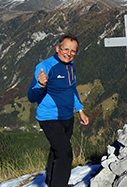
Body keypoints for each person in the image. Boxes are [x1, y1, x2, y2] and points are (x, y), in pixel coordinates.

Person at [28, 34, 89, 187]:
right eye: (66, 49)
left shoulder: (70, 66)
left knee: (57, 151)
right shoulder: (46, 67)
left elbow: (72, 89)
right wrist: (40, 84)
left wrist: (80, 110)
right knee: (65, 153)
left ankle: (51, 182)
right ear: (58, 48)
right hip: (50, 118)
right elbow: (32, 96)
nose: (69, 53)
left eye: (73, 51)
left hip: (67, 117)